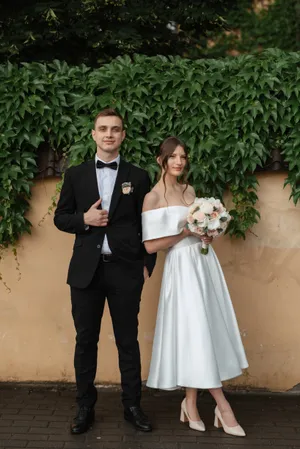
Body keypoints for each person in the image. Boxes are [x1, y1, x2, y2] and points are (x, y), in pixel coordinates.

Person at [54, 108, 156, 435]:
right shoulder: (76, 175)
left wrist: (146, 266)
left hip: (126, 272)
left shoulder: (139, 177)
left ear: (123, 135)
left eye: (115, 129)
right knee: (86, 341)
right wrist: (83, 220)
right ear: (94, 134)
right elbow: (60, 217)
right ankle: (85, 408)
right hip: (86, 272)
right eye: (103, 129)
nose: (109, 134)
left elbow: (148, 226)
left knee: (127, 341)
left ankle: (133, 406)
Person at [142, 136, 248, 437]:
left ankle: (190, 403)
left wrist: (206, 233)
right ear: (160, 160)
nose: (179, 162)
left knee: (202, 331)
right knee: (196, 330)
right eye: (173, 156)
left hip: (204, 264)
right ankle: (222, 406)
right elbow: (150, 246)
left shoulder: (190, 190)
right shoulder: (152, 197)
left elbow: (198, 228)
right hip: (181, 268)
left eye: (183, 157)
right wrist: (186, 232)